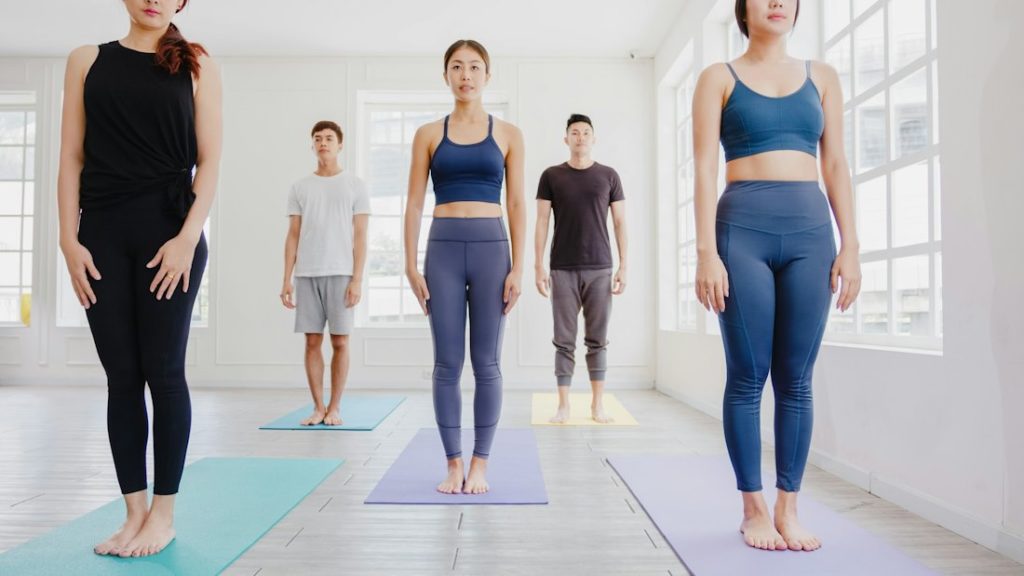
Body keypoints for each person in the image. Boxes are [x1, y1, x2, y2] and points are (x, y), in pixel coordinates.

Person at [691, 0, 861, 552]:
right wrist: (704, 253)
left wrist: (851, 245)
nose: (778, 1)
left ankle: (789, 507)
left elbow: (834, 163)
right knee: (748, 373)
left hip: (811, 232)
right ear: (743, 9)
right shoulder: (719, 77)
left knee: (797, 377)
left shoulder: (825, 78)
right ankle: (753, 507)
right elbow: (701, 167)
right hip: (742, 229)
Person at [56, 0, 222, 558]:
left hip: (169, 234)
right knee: (121, 375)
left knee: (163, 371)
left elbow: (211, 162)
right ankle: (133, 513)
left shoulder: (197, 62)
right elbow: (72, 157)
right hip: (99, 234)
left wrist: (185, 237)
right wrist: (67, 238)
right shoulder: (86, 59)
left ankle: (164, 515)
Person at [404, 39, 526, 495]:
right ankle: (453, 463)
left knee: (487, 363)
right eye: (457, 67)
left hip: (493, 249)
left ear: (487, 75)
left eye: (475, 67)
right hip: (443, 251)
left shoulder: (510, 134)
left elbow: (516, 202)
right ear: (446, 76)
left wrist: (518, 266)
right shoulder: (428, 134)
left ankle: (481, 464)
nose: (466, 75)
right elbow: (414, 202)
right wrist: (410, 265)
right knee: (447, 363)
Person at [534, 113, 628, 424]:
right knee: (563, 339)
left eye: (586, 132)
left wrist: (624, 265)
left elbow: (619, 222)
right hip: (562, 267)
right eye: (574, 132)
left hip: (600, 267)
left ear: (593, 138)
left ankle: (597, 405)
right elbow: (542, 222)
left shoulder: (609, 176)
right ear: (566, 139)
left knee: (597, 339)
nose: (580, 137)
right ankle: (563, 405)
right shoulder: (551, 176)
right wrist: (538, 265)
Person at [281, 121, 370, 426]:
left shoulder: (355, 185)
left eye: (329, 138)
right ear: (312, 145)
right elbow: (293, 234)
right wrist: (286, 279)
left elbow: (360, 236)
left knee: (341, 343)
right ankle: (318, 407)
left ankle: (335, 407)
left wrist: (357, 279)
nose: (323, 143)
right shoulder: (300, 187)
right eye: (318, 139)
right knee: (311, 342)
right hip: (307, 274)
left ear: (340, 144)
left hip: (342, 273)